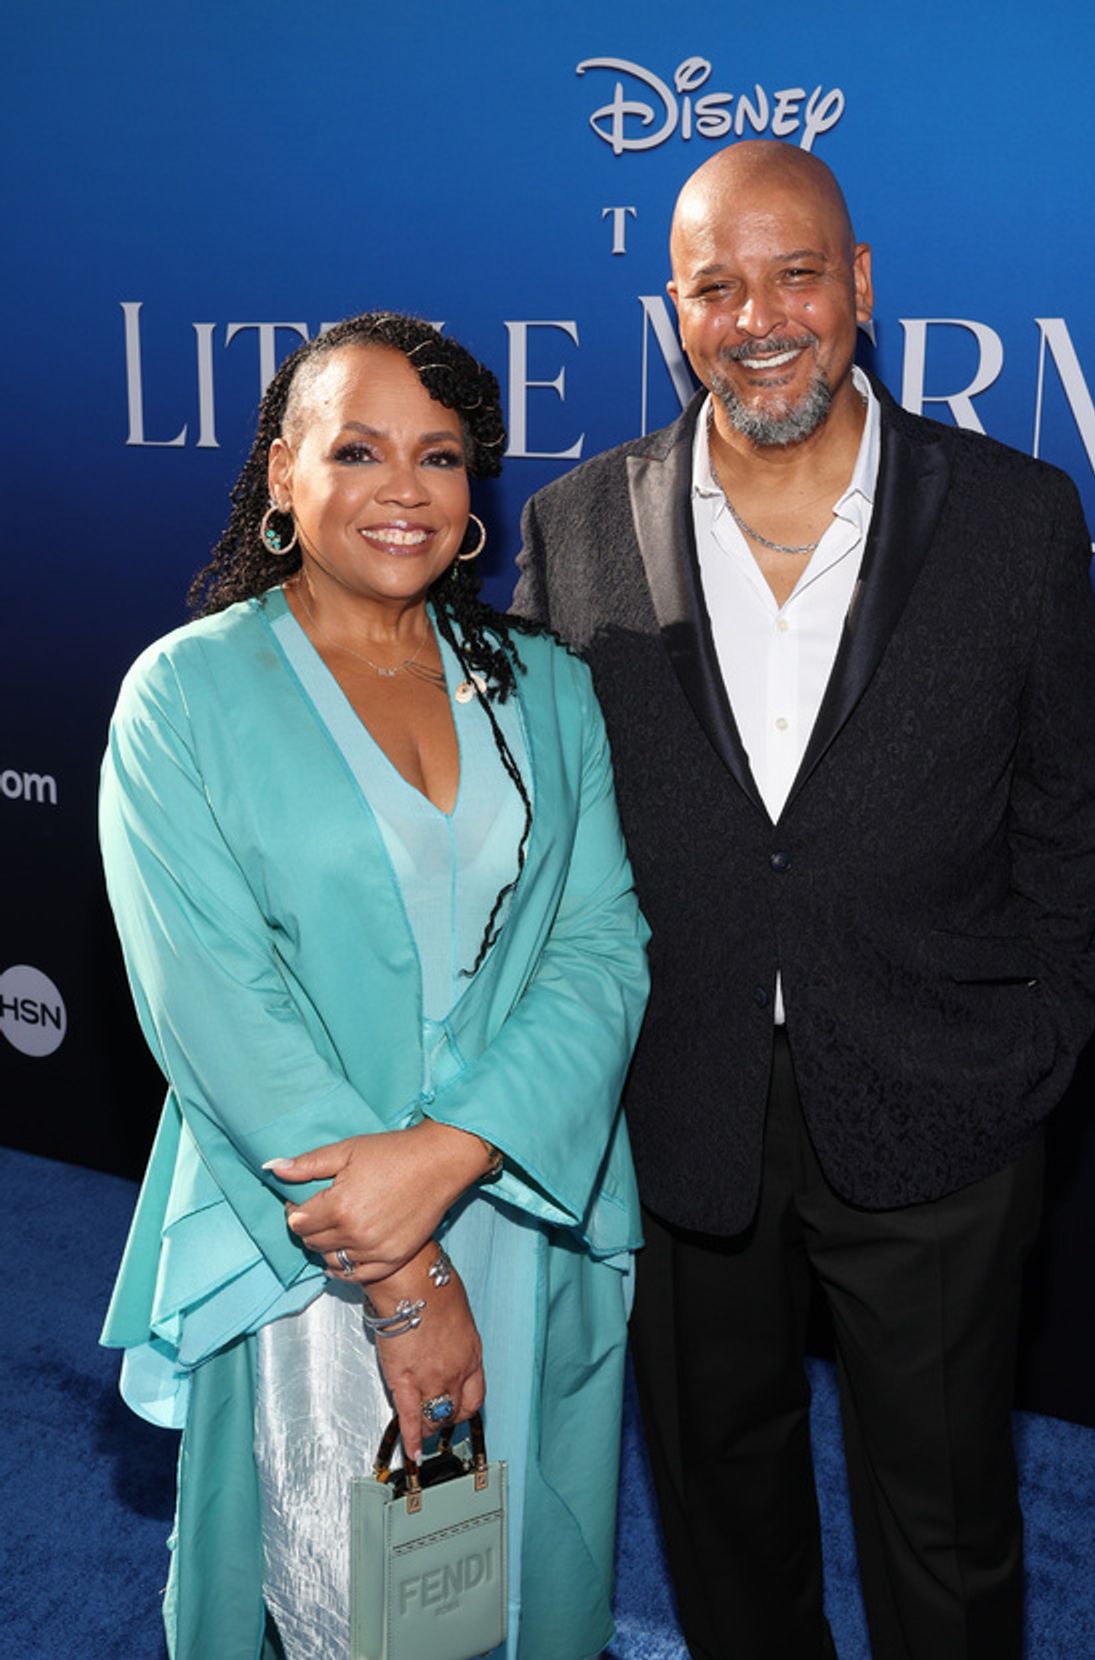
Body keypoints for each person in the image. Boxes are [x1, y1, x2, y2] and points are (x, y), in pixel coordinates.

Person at [512, 142, 1095, 1660]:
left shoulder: (1015, 515)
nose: (760, 316)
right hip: (675, 1111)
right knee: (720, 1511)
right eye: (718, 284)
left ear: (860, 286)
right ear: (675, 310)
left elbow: (1074, 803)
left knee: (946, 1522)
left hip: (940, 1100)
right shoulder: (577, 526)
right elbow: (540, 820)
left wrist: (1035, 1042)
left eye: (797, 273)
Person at [99, 311, 649, 1660]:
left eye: (443, 456)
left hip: (524, 1198)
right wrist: (403, 1273)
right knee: (356, 1599)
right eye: (357, 448)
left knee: (499, 1581)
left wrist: (457, 1149)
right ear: (283, 475)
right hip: (315, 1232)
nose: (405, 487)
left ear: (475, 501)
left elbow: (602, 947)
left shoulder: (548, 691)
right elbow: (216, 1008)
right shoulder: (186, 697)